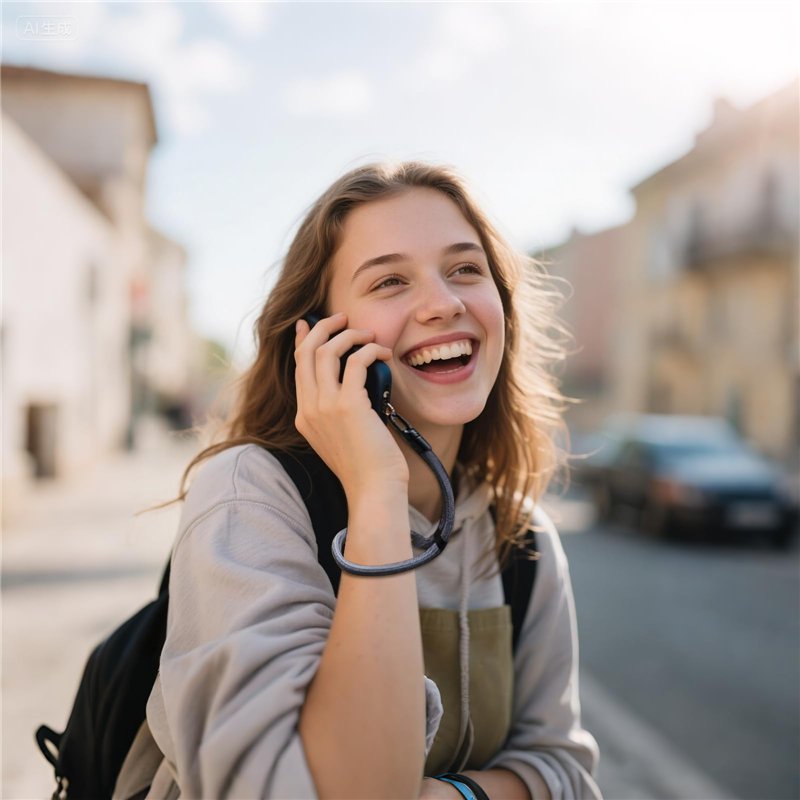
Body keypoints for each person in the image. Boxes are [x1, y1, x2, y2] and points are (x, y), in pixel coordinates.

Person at [123, 161, 601, 799]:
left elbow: (567, 773)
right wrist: (377, 493)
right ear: (321, 340)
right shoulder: (250, 495)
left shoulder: (523, 539)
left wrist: (451, 797)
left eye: (465, 268)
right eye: (390, 281)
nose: (443, 303)